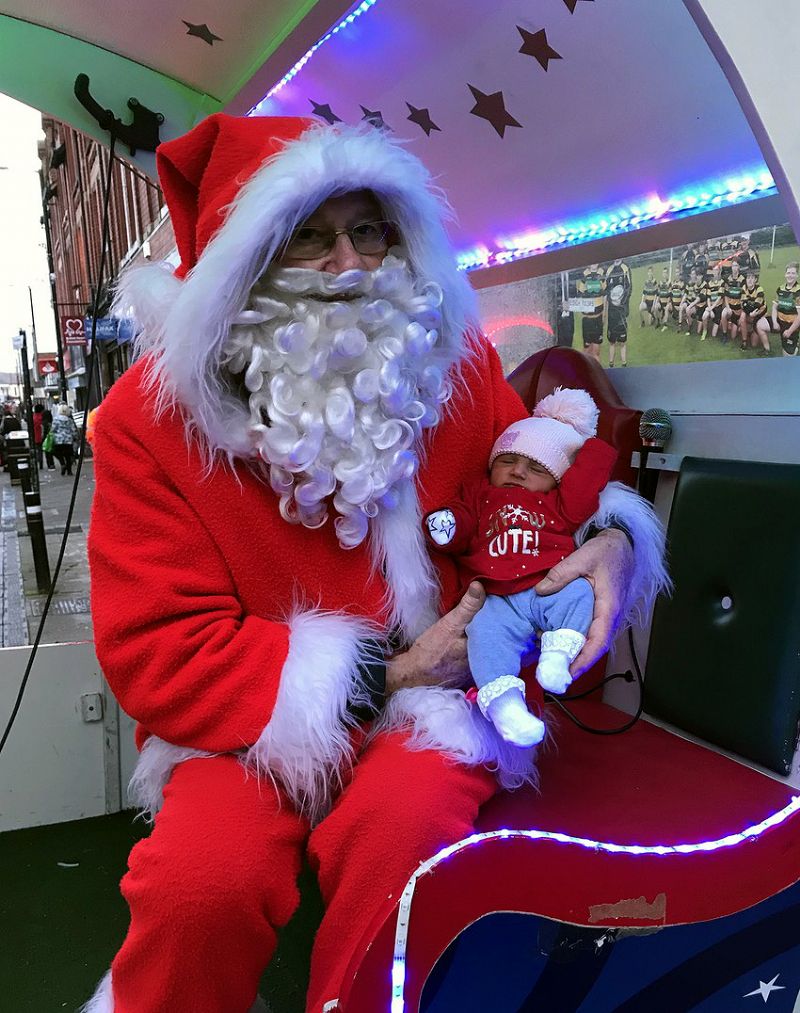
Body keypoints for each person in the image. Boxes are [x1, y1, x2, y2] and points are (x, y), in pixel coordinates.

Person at [82, 113, 668, 1013]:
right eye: (308, 238)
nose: (349, 265)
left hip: (433, 708)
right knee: (202, 884)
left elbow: (526, 498)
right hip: (244, 724)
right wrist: (380, 673)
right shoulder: (147, 422)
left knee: (407, 843)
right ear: (243, 269)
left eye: (367, 230)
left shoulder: (456, 368)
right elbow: (161, 649)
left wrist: (616, 538)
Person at [423, 389, 617, 747]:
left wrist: (588, 443)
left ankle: (557, 657)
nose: (518, 471)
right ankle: (505, 707)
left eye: (536, 467)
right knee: (484, 635)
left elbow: (589, 479)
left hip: (547, 584)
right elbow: (462, 523)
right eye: (507, 460)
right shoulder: (480, 493)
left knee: (580, 593)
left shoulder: (559, 503)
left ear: (557, 478)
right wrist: (446, 526)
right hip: (494, 597)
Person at [576, 263, 606, 362]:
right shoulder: (584, 274)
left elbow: (605, 294)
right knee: (586, 350)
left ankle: (597, 374)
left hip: (598, 318)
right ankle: (583, 372)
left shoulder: (602, 273)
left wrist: (604, 314)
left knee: (596, 352)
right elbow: (580, 294)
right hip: (587, 320)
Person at [772, 262, 800, 356]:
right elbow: (774, 307)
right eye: (788, 273)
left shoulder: (798, 292)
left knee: (787, 355)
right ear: (785, 274)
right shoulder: (780, 289)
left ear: (797, 275)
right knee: (760, 324)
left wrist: (790, 331)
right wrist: (774, 322)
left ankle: (794, 347)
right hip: (780, 322)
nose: (790, 275)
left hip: (791, 325)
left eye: (793, 273)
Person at [741, 270, 771, 355]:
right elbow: (743, 304)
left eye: (752, 278)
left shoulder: (759, 289)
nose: (750, 280)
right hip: (751, 313)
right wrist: (750, 313)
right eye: (748, 278)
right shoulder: (744, 288)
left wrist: (749, 308)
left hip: (760, 314)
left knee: (754, 344)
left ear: (755, 280)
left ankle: (756, 331)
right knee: (742, 316)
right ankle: (744, 341)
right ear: (746, 280)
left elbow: (757, 305)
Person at [51, 403, 78, 475]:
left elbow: (53, 429)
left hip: (58, 439)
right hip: (68, 439)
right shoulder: (69, 420)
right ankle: (69, 470)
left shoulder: (56, 419)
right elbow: (73, 430)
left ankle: (62, 463)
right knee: (68, 456)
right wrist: (75, 437)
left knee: (57, 453)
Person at [32, 403, 45, 468]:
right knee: (40, 450)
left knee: (37, 450)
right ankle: (40, 463)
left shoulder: (33, 416)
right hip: (40, 436)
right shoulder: (41, 417)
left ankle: (38, 462)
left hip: (34, 436)